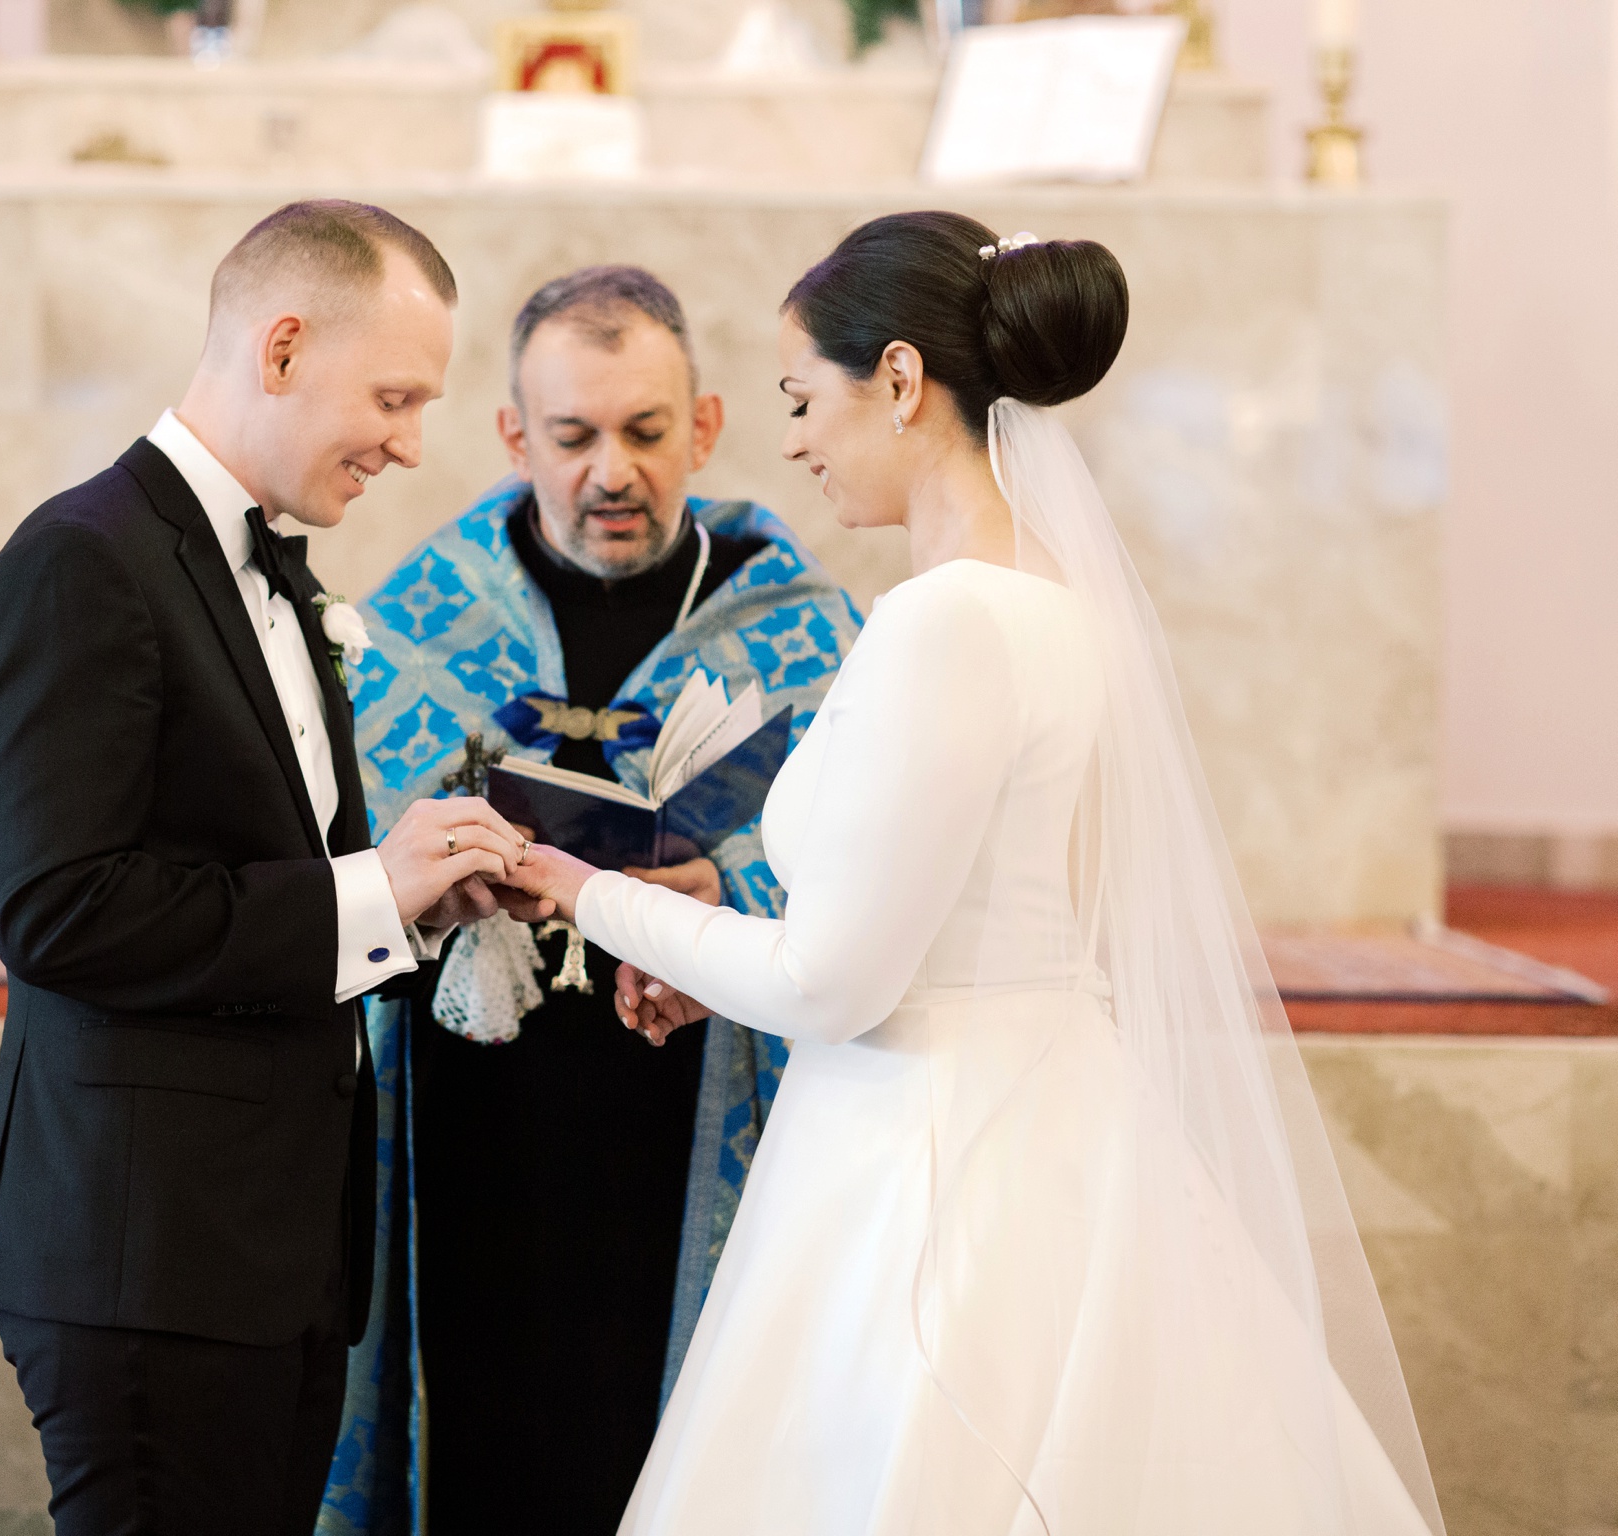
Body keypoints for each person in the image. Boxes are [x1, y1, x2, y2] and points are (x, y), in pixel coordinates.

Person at [506, 214, 1448, 1535]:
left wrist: (575, 885)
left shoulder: (943, 622)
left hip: (933, 1153)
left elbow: (835, 985)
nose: (795, 442)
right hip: (1040, 1109)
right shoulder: (1049, 597)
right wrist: (712, 965)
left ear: (898, 379)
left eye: (802, 398)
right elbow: (952, 922)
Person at [0, 200, 550, 1536]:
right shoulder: (80, 564)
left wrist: (421, 906)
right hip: (145, 1246)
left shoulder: (270, 574)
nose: (409, 442)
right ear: (281, 348)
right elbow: (58, 910)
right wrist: (368, 891)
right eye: (393, 397)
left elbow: (269, 880)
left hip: (266, 1248)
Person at [323, 266, 861, 1536]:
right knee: (485, 1416)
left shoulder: (798, 626)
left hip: (692, 1092)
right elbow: (347, 837)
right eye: (571, 437)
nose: (609, 472)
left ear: (706, 428)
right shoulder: (427, 612)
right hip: (476, 1102)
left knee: (656, 1423)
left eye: (644, 432)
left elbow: (873, 865)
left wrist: (725, 887)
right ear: (516, 438)